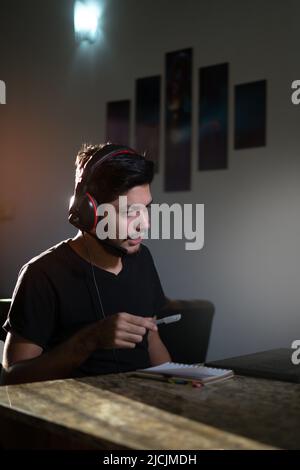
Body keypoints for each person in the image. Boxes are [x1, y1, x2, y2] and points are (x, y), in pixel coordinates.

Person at [1, 143, 171, 385]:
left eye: (146, 209)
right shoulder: (42, 274)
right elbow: (12, 379)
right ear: (90, 211)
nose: (145, 224)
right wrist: (89, 340)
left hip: (141, 410)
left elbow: (153, 343)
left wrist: (185, 386)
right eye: (130, 212)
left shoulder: (143, 260)